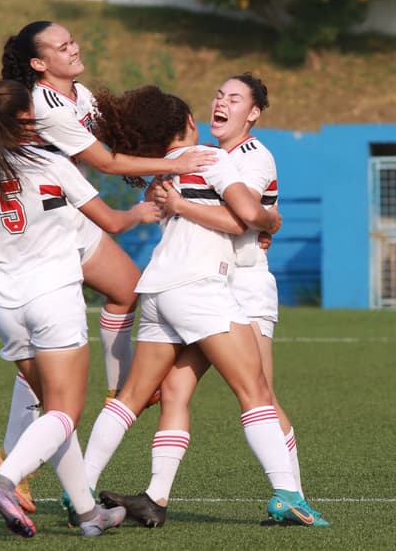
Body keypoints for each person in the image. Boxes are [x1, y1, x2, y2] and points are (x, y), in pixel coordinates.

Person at [0, 21, 217, 508]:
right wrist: (172, 164)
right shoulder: (44, 105)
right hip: (47, 229)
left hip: (69, 216)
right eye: (61, 46)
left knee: (127, 289)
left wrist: (156, 142)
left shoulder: (79, 94)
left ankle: (118, 386)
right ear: (38, 63)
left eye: (72, 40)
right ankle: (14, 457)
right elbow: (108, 163)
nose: (73, 48)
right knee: (44, 368)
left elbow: (117, 148)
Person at [75, 84, 317, 528]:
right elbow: (245, 214)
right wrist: (269, 218)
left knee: (140, 396)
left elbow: (222, 214)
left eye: (234, 98)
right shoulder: (211, 156)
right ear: (189, 121)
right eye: (218, 95)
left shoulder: (194, 164)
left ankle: (85, 491)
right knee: (255, 393)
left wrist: (191, 205)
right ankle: (288, 495)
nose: (221, 103)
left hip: (175, 287)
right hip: (204, 288)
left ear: (255, 113)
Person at [0, 79, 160, 537]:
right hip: (53, 296)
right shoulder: (52, 163)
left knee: (54, 416)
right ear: (26, 120)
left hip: (5, 305)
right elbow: (113, 223)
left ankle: (88, 514)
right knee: (65, 414)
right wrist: (140, 213)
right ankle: (5, 479)